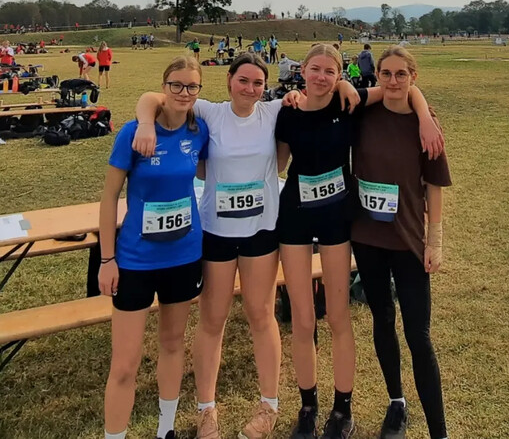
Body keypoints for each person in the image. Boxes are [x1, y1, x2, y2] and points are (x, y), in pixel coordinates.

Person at [132, 54, 360, 439]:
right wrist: (143, 123)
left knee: (261, 315)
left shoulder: (274, 110)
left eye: (257, 83)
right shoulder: (210, 112)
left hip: (261, 231)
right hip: (217, 232)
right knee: (213, 319)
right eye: (243, 80)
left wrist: (343, 82)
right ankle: (207, 410)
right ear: (229, 80)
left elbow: (317, 91)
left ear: (265, 87)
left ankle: (268, 406)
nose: (250, 88)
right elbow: (153, 98)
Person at [275, 44, 443, 439]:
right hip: (295, 216)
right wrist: (288, 98)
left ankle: (342, 410)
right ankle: (308, 406)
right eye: (314, 69)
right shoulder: (287, 111)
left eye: (330, 71)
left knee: (338, 316)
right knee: (303, 318)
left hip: (338, 217)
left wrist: (424, 117)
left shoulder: (349, 103)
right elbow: (278, 164)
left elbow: (403, 87)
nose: (321, 77)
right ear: (302, 70)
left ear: (340, 75)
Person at [99, 55, 209, 439]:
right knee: (125, 363)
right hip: (136, 261)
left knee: (173, 344)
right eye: (176, 84)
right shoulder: (134, 133)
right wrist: (107, 259)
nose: (183, 92)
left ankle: (166, 429)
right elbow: (109, 198)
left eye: (191, 86)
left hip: (184, 257)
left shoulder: (199, 131)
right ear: (164, 87)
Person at [350, 45, 451, 439]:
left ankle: (439, 431)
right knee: (382, 320)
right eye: (386, 74)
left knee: (418, 336)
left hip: (408, 240)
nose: (393, 81)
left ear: (414, 78)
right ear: (376, 76)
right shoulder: (363, 114)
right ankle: (397, 402)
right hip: (368, 237)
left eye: (401, 74)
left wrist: (434, 241)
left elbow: (434, 187)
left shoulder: (427, 126)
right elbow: (334, 94)